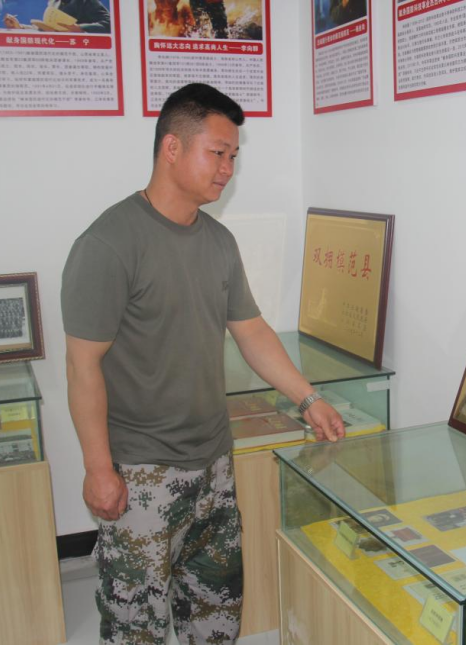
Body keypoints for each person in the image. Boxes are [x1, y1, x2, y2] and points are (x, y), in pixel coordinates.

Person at [61, 83, 345, 645]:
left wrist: (308, 398)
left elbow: (252, 331)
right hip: (142, 471)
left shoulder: (218, 242)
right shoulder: (109, 244)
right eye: (217, 153)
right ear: (172, 148)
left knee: (216, 616)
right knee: (135, 627)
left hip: (213, 464)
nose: (228, 170)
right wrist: (98, 469)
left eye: (233, 156)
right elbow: (81, 366)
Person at [3, 0, 110, 32]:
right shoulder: (53, 3)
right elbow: (48, 29)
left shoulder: (86, 1)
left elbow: (110, 24)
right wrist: (20, 27)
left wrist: (80, 28)